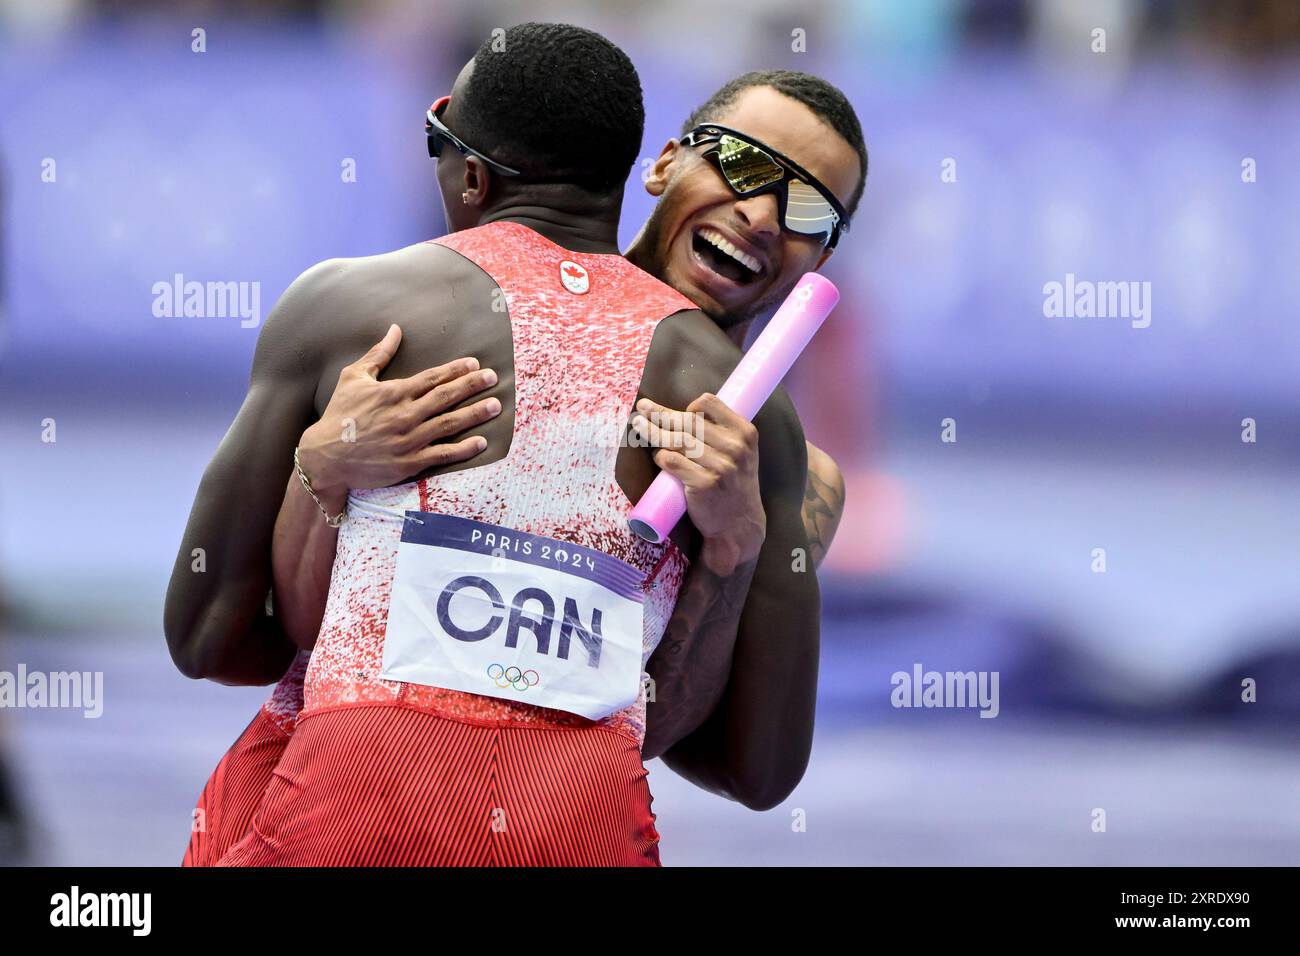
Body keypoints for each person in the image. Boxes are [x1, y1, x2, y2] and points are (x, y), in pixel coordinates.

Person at [167, 25, 824, 866]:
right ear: (633, 177)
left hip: (347, 807)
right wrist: (734, 551)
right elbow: (754, 770)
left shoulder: (343, 308)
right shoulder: (741, 409)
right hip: (580, 826)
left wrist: (320, 477)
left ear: (469, 172)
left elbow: (206, 640)